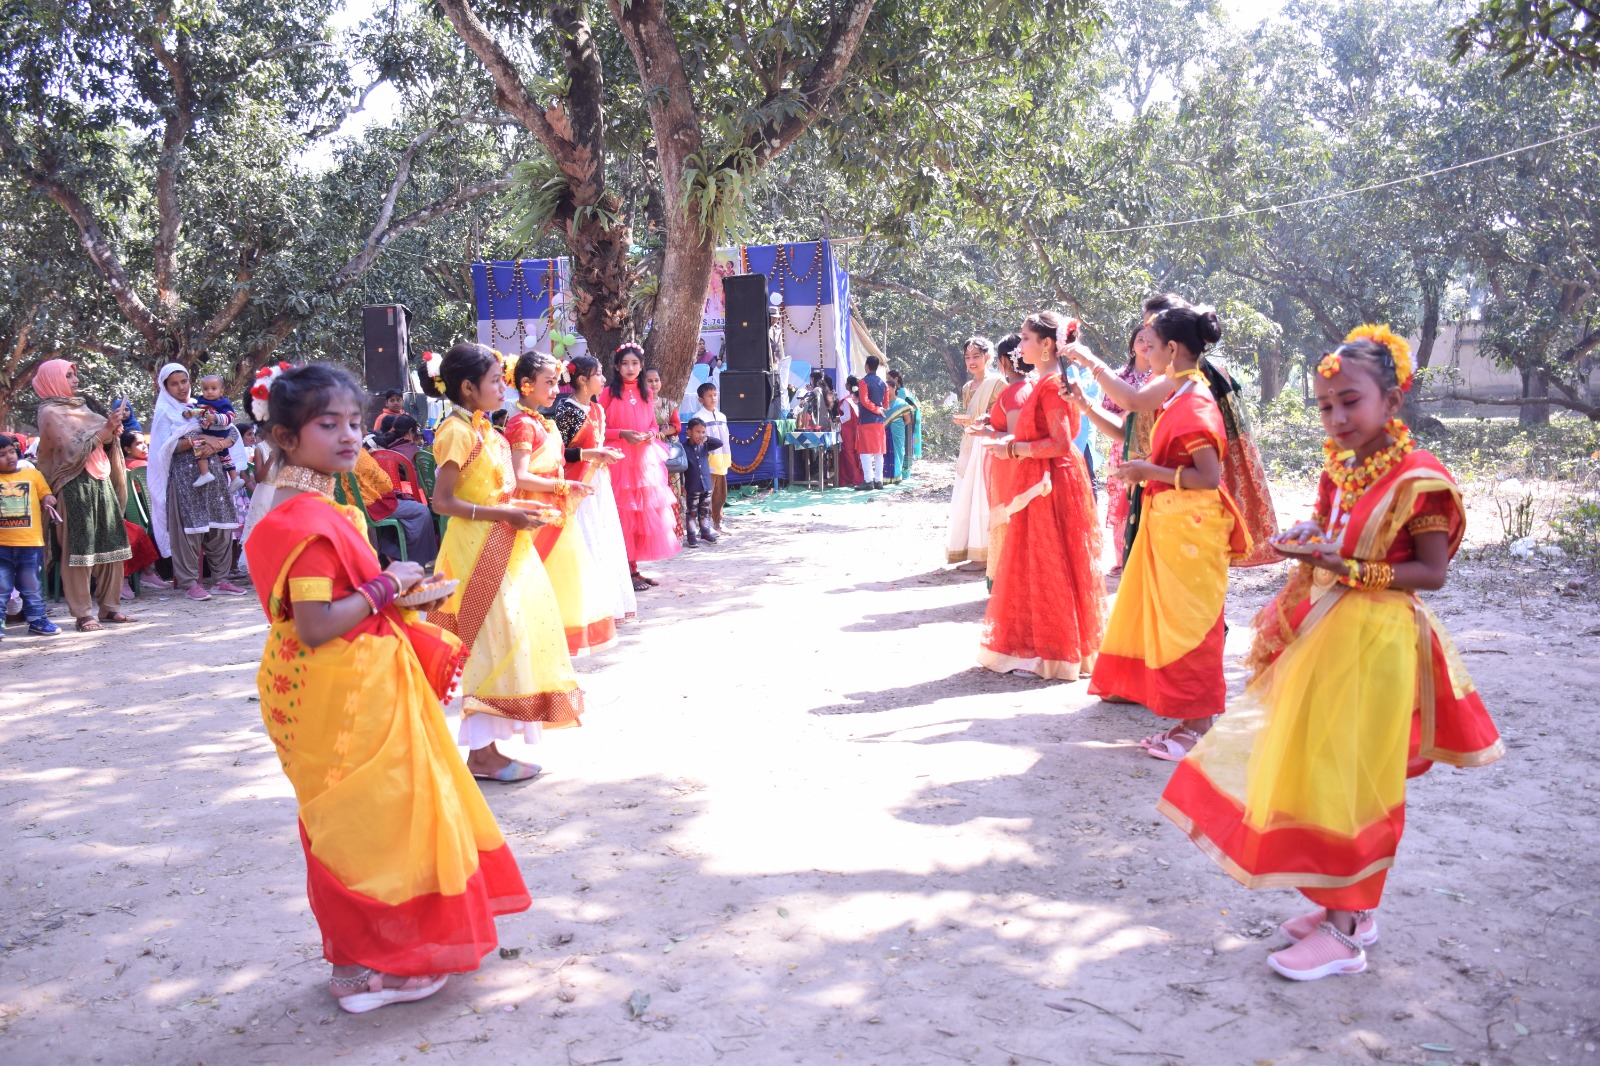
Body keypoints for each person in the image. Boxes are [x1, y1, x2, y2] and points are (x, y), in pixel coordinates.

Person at [1158, 326, 1503, 981]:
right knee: (1318, 767)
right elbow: (1329, 528)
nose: (1338, 418)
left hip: (1376, 641)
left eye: (1351, 401)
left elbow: (1432, 573)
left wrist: (1348, 569)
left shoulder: (1420, 479)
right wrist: (1308, 538)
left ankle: (1345, 936)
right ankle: (1346, 908)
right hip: (1326, 629)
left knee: (1352, 779)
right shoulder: (1340, 463)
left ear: (1391, 402)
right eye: (1325, 406)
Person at [244, 362, 531, 1015]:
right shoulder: (307, 521)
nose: (349, 435)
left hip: (329, 686)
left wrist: (396, 592)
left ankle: (363, 962)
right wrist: (389, 584)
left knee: (359, 823)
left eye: (354, 421)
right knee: (375, 822)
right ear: (286, 437)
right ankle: (372, 969)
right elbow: (317, 624)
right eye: (328, 424)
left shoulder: (309, 507)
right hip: (345, 694)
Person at [1082, 305, 1251, 759]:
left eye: (1151, 346)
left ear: (1172, 349)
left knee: (1191, 625)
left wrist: (1147, 470)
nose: (1145, 354)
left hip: (1192, 531)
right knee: (1174, 622)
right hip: (1174, 525)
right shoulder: (1180, 394)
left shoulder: (1194, 402)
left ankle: (1201, 726)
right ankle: (1188, 720)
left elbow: (1209, 477)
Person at [422, 343, 580, 782]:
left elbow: (493, 491)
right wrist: (506, 514)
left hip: (502, 543)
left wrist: (523, 509)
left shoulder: (486, 429)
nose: (502, 387)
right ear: (467, 388)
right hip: (475, 549)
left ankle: (487, 750)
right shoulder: (457, 431)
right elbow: (442, 502)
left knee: (506, 640)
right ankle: (482, 755)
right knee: (490, 644)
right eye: (494, 381)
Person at [1074, 293, 1280, 564]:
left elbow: (1134, 401)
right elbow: (1125, 431)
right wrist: (1085, 404)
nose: (1145, 345)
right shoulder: (1169, 379)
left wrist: (1091, 362)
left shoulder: (1190, 387)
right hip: (1158, 495)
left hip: (1183, 507)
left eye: (1152, 337)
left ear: (1172, 344)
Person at [976, 313, 1105, 679]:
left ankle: (1057, 651)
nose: (1020, 347)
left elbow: (1060, 443)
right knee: (1038, 559)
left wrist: (1012, 449)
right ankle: (1044, 646)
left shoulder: (1051, 385)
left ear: (1047, 345)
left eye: (1025, 338)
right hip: (1044, 480)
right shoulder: (1045, 381)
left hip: (1051, 482)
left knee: (1050, 561)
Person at [507, 350, 614, 656]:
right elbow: (520, 476)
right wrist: (564, 485)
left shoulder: (541, 421)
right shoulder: (522, 424)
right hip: (536, 512)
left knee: (561, 579)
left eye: (556, 382)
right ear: (526, 384)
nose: (556, 389)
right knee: (544, 576)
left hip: (555, 509)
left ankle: (546, 646)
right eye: (549, 382)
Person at [32, 359, 137, 629]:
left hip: (100, 480)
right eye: (68, 376)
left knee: (112, 544)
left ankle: (110, 608)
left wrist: (113, 432)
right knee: (78, 549)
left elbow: (100, 439)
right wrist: (104, 431)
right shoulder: (49, 412)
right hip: (72, 484)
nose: (75, 380)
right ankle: (83, 613)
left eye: (74, 375)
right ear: (53, 380)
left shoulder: (81, 407)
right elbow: (69, 449)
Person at [148, 364, 248, 601]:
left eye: (184, 381)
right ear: (165, 387)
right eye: (174, 384)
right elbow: (167, 448)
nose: (181, 387)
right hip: (185, 478)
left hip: (214, 474)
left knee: (220, 526)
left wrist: (219, 443)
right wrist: (199, 439)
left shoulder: (201, 406)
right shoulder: (165, 413)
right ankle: (190, 583)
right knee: (189, 531)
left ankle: (221, 580)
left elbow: (231, 432)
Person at [550, 355, 634, 622]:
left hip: (599, 480)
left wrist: (603, 453)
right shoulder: (567, 410)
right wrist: (591, 455)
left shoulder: (597, 409)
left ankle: (606, 605)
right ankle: (584, 608)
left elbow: (594, 445)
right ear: (583, 380)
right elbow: (559, 452)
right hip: (578, 483)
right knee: (585, 536)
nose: (603, 378)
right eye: (598, 374)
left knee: (603, 536)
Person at [1067, 327, 1155, 571]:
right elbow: (1110, 416)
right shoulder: (1117, 377)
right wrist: (1131, 411)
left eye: (1150, 340)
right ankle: (1123, 558)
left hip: (1153, 449)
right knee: (1121, 500)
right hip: (1123, 447)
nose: (1145, 344)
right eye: (1140, 339)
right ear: (1132, 346)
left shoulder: (1162, 378)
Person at [601, 344, 679, 590]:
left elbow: (653, 424)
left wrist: (651, 434)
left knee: (639, 516)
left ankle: (633, 570)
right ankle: (625, 572)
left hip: (644, 462)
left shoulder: (647, 392)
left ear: (641, 366)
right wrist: (622, 434)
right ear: (617, 367)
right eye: (625, 364)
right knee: (623, 515)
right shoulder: (608, 393)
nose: (630, 368)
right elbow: (598, 428)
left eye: (635, 363)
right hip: (619, 461)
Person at [947, 337, 1007, 566]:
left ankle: (986, 554)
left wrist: (986, 421)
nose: (971, 361)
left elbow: (1004, 414)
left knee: (983, 496)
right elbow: (971, 414)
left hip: (988, 445)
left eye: (976, 356)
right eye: (967, 357)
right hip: (969, 444)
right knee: (967, 495)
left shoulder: (998, 383)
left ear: (987, 357)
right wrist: (966, 421)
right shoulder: (966, 388)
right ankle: (971, 550)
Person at [978, 334, 1032, 588]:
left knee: (1008, 520)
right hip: (1016, 464)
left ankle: (1008, 582)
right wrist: (991, 421)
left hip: (1010, 466)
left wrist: (985, 432)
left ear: (1003, 361)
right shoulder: (1029, 387)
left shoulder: (1014, 393)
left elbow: (1015, 435)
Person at [0, 433, 62, 638]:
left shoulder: (33, 475)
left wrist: (48, 499)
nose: (9, 457)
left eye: (11, 452)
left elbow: (46, 494)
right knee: (1, 587)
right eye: (2, 455)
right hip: (1, 547)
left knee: (32, 586)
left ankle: (37, 620)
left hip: (30, 544)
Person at [353, 447, 437, 565]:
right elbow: (385, 484)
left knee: (404, 510)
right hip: (371, 505)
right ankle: (415, 561)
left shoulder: (334, 457)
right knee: (422, 511)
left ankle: (390, 549)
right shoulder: (359, 455)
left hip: (354, 505)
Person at [690, 382, 731, 535]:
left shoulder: (722, 416)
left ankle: (718, 522)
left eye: (715, 395)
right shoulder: (698, 417)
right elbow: (696, 441)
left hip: (722, 460)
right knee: (707, 494)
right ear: (701, 399)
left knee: (721, 494)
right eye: (709, 395)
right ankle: (705, 525)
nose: (713, 398)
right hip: (707, 462)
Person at [185, 374, 238, 488]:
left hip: (220, 433)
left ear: (221, 391)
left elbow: (230, 417)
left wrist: (216, 418)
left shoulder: (223, 403)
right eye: (205, 389)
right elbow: (195, 408)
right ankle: (234, 479)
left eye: (213, 389)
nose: (209, 392)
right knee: (225, 456)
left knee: (199, 446)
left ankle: (205, 473)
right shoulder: (201, 401)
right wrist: (188, 411)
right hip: (208, 433)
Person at [680, 418, 724, 546]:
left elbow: (719, 443)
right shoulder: (683, 448)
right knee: (692, 511)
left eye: (703, 432)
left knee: (705, 510)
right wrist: (682, 485)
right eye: (698, 432)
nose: (701, 435)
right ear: (689, 432)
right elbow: (681, 469)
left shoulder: (705, 445)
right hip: (692, 485)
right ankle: (691, 535)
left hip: (706, 485)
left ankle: (705, 532)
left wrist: (707, 439)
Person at [854, 356, 888, 490]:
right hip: (879, 422)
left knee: (865, 452)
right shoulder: (883, 383)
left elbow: (864, 400)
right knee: (879, 452)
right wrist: (879, 409)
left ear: (867, 366)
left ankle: (868, 481)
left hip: (866, 421)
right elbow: (886, 404)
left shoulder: (863, 382)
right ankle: (879, 481)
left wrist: (876, 409)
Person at [883, 369, 921, 483]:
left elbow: (912, 409)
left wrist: (899, 422)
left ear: (896, 380)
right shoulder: (885, 401)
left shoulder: (903, 393)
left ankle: (902, 473)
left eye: (889, 378)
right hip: (893, 426)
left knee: (902, 449)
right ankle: (890, 475)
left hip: (902, 425)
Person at [835, 375, 862, 489]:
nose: (845, 385)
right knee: (856, 454)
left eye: (846, 383)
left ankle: (853, 478)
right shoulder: (858, 398)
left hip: (848, 430)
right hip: (858, 429)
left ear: (849, 385)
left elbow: (847, 417)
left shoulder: (847, 400)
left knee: (848, 453)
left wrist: (838, 419)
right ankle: (858, 477)